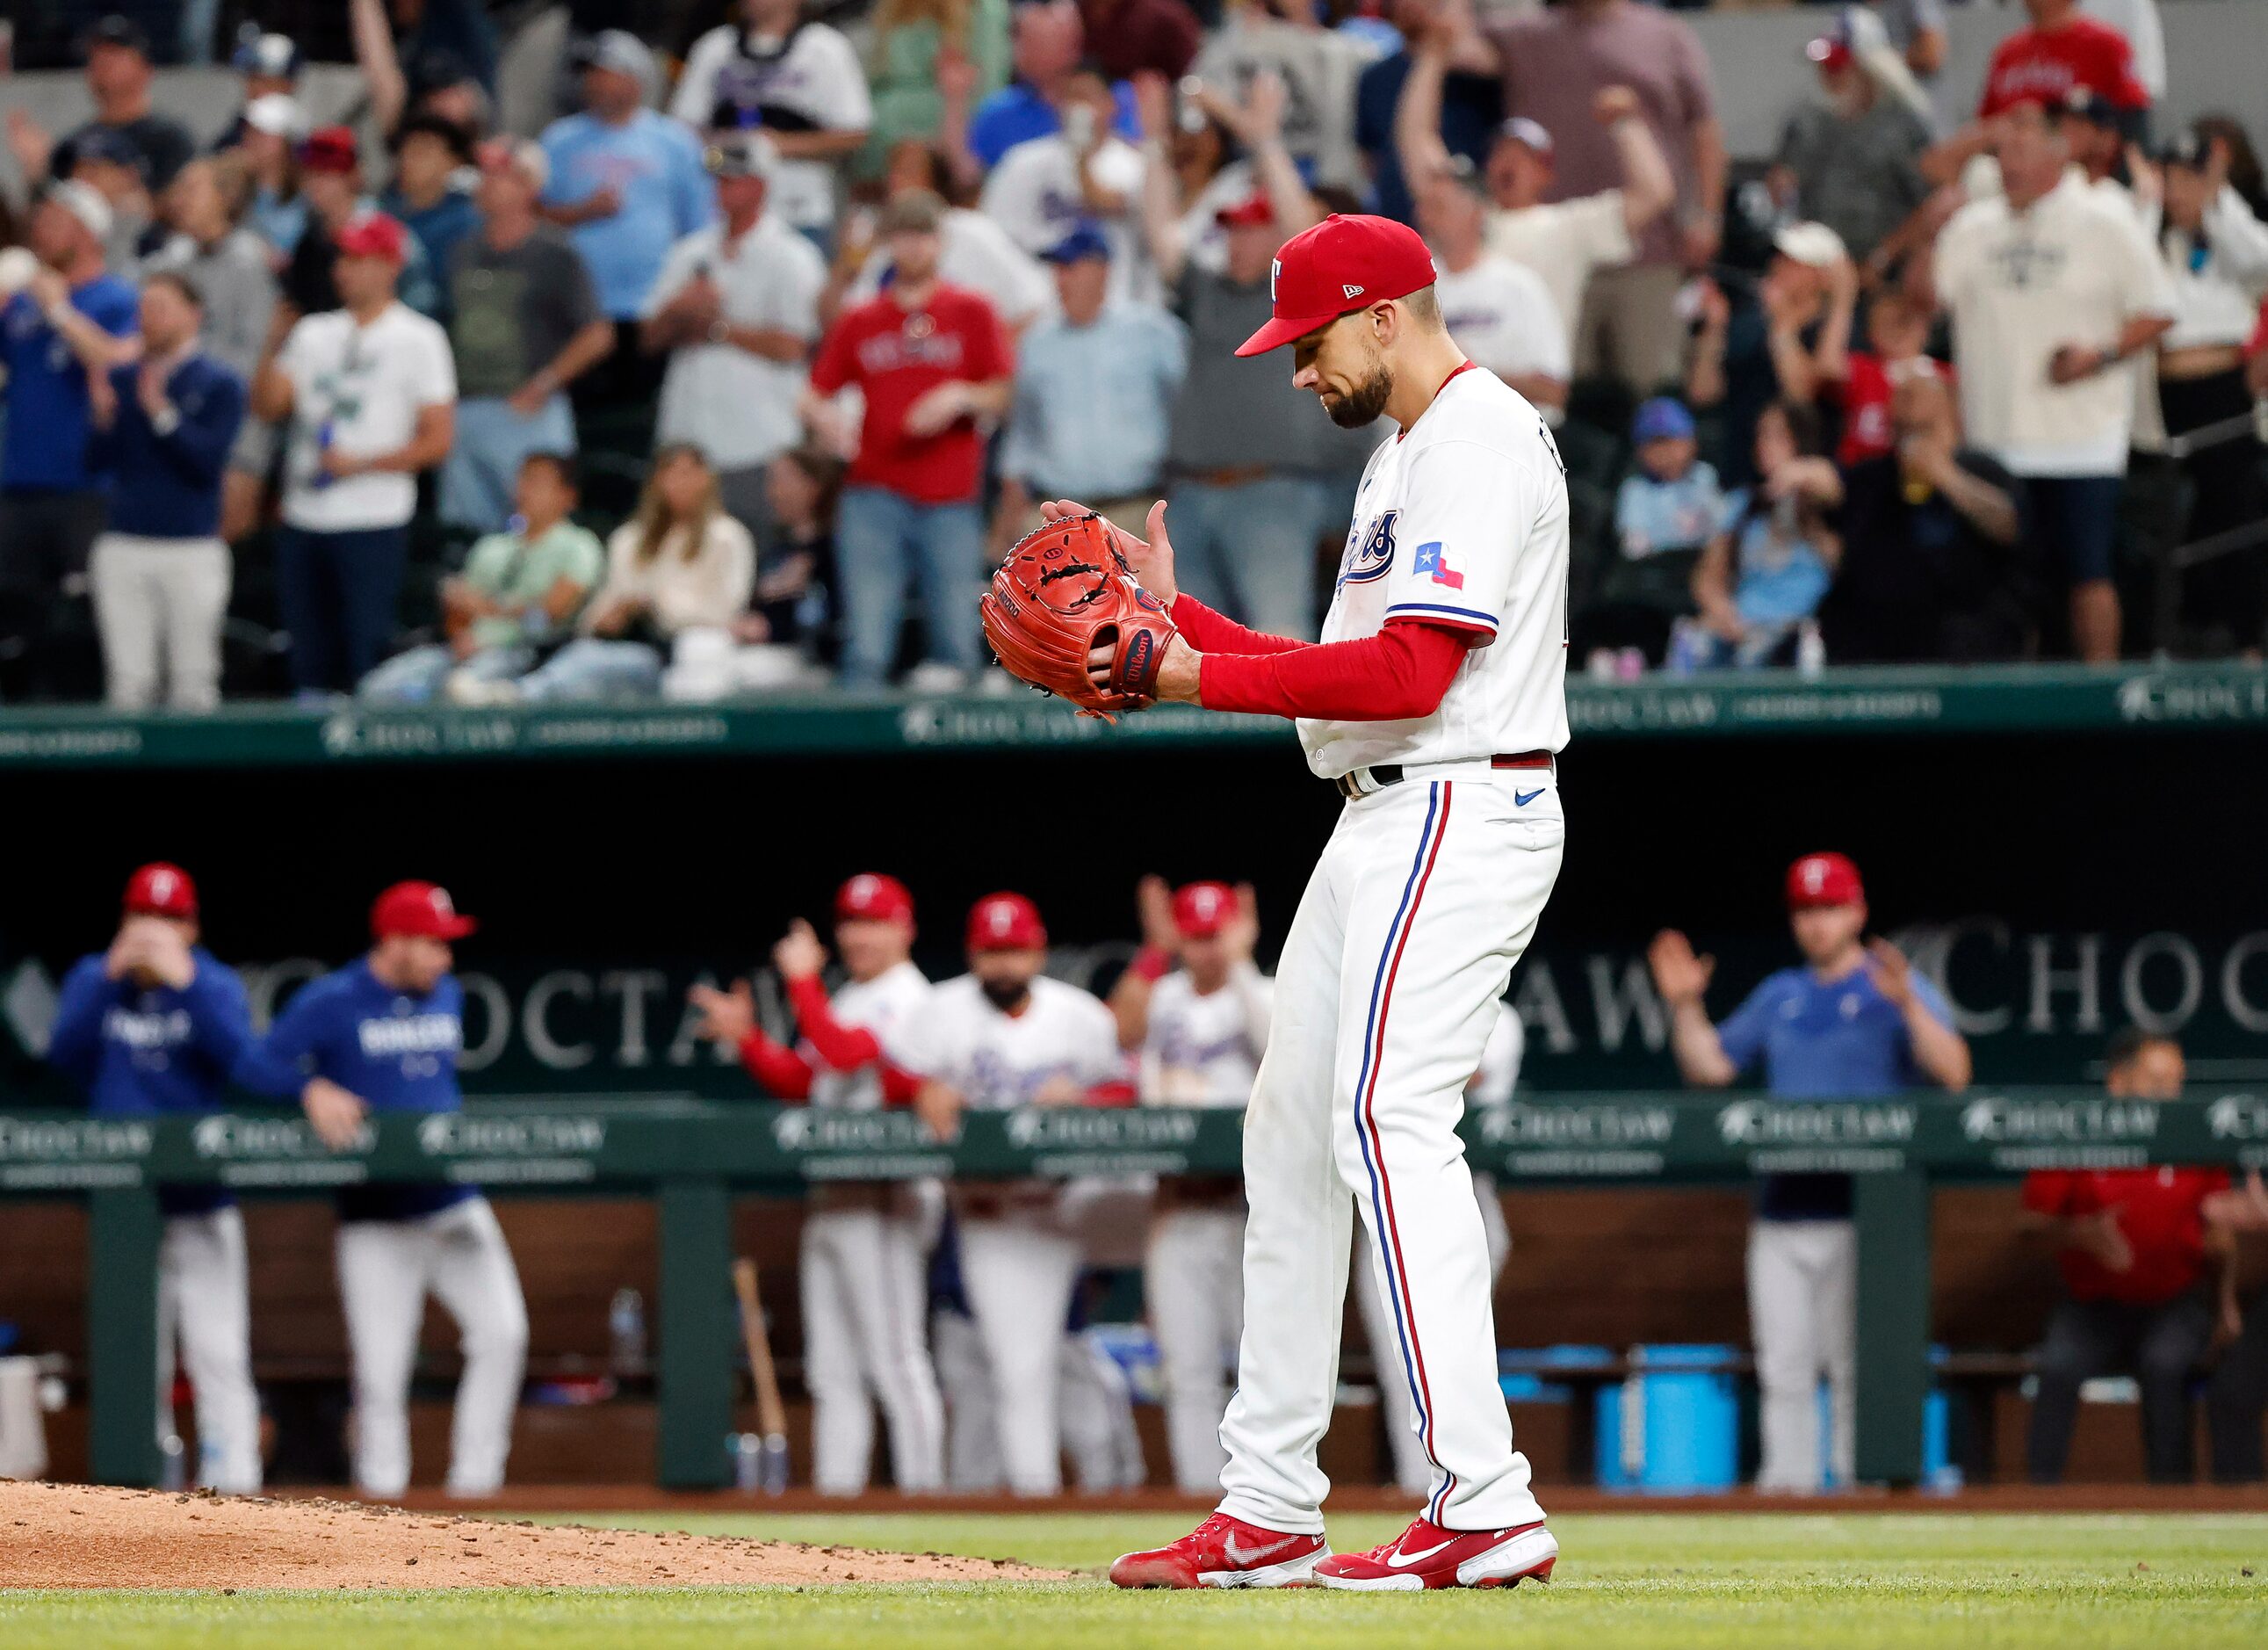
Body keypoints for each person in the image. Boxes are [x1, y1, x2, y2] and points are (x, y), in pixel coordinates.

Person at [1095, 211, 1569, 1591]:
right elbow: (1340, 677)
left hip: (1457, 800)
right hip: (1384, 808)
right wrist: (1188, 633)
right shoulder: (1400, 461)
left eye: (1307, 342)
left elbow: (1412, 679)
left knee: (1386, 1119)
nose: (1295, 371)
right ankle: (1269, 1502)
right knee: (1290, 1131)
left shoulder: (1476, 437)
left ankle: (1481, 1497)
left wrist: (1183, 680)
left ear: (1380, 316)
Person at [1648, 852, 1969, 1494]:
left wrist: (1907, 1006)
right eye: (1805, 909)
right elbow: (1711, 1067)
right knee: (1785, 1366)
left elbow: (1955, 1072)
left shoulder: (1891, 985)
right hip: (1782, 1209)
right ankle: (1787, 1492)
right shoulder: (1781, 994)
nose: (1817, 921)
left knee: (1857, 1367)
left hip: (1868, 1213)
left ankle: (1862, 1489)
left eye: (1829, 907)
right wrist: (1685, 1007)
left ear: (1857, 911)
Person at [238, 880, 526, 1499]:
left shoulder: (444, 993)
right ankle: (382, 1505)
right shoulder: (334, 999)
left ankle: (476, 1488)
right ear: (393, 941)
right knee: (380, 1374)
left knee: (503, 1333)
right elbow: (258, 1063)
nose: (445, 960)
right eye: (432, 944)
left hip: (453, 1200)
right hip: (375, 1217)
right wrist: (308, 1089)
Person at [689, 873, 945, 1495]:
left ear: (905, 928)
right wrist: (751, 1039)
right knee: (833, 1373)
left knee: (895, 1362)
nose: (860, 934)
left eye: (875, 921)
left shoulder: (910, 996)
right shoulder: (851, 994)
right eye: (851, 922)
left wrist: (800, 981)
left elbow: (847, 1053)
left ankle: (930, 1502)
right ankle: (838, 1508)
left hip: (885, 1192)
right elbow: (810, 1081)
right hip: (833, 1194)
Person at [895, 893, 1131, 1498]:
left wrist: (1082, 1101)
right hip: (993, 1214)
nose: (1003, 964)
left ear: (1039, 950)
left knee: (1061, 1361)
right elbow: (891, 1073)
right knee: (1021, 1367)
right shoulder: (939, 1012)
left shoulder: (1079, 1016)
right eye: (991, 951)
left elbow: (1129, 1095)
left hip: (1076, 1207)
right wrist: (919, 1090)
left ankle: (1119, 1487)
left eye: (1015, 950)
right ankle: (1038, 1496)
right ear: (973, 953)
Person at [1925, 97, 2173, 662]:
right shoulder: (1974, 223)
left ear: (2055, 156)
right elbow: (1926, 301)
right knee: (2004, 585)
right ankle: (2014, 707)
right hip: (1997, 435)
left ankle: (2104, 699)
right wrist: (1929, 230)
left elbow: (2159, 308)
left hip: (2082, 437)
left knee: (2089, 573)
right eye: (2001, 152)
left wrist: (2101, 354)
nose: (2006, 165)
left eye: (2020, 151)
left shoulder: (2105, 218)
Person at [46, 864, 262, 1494]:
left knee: (218, 1352)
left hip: (202, 1202)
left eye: (169, 919)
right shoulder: (94, 978)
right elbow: (59, 1056)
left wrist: (186, 985)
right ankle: (148, 1498)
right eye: (143, 916)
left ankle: (237, 1486)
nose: (154, 932)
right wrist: (109, 977)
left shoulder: (212, 984)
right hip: (123, 1214)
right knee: (139, 1360)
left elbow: (245, 1065)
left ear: (191, 927)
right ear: (123, 921)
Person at [1138, 85, 1336, 640]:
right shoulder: (1207, 290)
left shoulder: (1295, 297)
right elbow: (1160, 235)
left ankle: (1285, 735)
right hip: (1193, 493)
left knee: (1278, 640)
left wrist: (1264, 141)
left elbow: (1305, 230)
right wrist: (1156, 144)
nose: (1240, 241)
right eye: (1234, 229)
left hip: (1271, 491)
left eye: (1254, 227)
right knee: (1191, 646)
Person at [803, 190, 1013, 690]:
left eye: (923, 237)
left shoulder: (971, 309)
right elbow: (812, 394)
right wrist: (827, 421)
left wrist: (959, 395)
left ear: (939, 243)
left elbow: (1003, 393)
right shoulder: (862, 318)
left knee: (959, 642)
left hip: (949, 496)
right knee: (867, 645)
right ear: (889, 244)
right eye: (903, 237)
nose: (913, 249)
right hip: (873, 491)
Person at [1461, 0, 1725, 394]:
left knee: (1652, 387)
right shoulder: (1528, 33)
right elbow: (1453, 45)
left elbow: (1704, 132)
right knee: (1565, 391)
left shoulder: (1666, 34)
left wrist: (1707, 214)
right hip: (1554, 252)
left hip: (1648, 247)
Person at [253, 212, 458, 698]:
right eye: (342, 257)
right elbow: (267, 406)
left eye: (358, 258)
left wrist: (361, 464)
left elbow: (437, 440)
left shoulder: (419, 338)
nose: (343, 269)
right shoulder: (313, 333)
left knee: (365, 651)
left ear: (390, 265)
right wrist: (271, 342)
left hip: (372, 517)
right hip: (305, 516)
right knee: (307, 655)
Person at [1109, 878, 1270, 1494]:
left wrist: (1241, 961)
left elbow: (1277, 1041)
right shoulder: (1163, 995)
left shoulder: (1258, 992)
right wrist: (1155, 949)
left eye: (1215, 934)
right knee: (1188, 1371)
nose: (1206, 949)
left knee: (1261, 1371)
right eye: (1196, 936)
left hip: (1252, 1208)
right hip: (1177, 1206)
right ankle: (1201, 1500)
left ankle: (1262, 1501)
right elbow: (1119, 1030)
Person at [2020, 1030, 2228, 1484]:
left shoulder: (2197, 1137)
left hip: (2175, 1302)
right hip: (2094, 1305)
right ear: (2117, 1082)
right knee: (2056, 1365)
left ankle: (2174, 1507)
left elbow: (2221, 1233)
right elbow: (2029, 1230)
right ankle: (2033, 1502)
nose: (2170, 1094)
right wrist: (2079, 1233)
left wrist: (2227, 1304)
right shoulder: (2080, 1135)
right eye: (2156, 1081)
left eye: (2176, 1081)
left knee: (2165, 1365)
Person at [1396, 37, 1671, 372]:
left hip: (1531, 386)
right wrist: (1433, 57)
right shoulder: (1465, 212)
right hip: (1455, 382)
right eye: (1500, 154)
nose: (1508, 164)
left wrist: (1627, 123)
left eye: (1524, 157)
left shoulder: (1568, 226)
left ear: (1546, 174)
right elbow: (1417, 144)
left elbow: (1653, 194)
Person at [1357, 998, 1520, 1501]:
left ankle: (1468, 1492)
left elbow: (1449, 1072)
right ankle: (1419, 1492)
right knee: (1397, 1363)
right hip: (1387, 1209)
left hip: (1467, 1204)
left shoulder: (1496, 1015)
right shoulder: (1384, 1003)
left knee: (1451, 1360)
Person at [640, 134, 827, 539]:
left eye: (733, 180)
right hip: (688, 435)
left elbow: (795, 345)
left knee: (755, 553)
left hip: (758, 437)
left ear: (760, 185)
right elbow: (648, 339)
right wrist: (679, 309)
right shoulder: (690, 253)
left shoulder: (791, 256)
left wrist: (717, 328)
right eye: (719, 180)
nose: (721, 189)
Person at [0, 184, 140, 700]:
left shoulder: (115, 299)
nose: (38, 231)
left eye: (52, 220)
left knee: (84, 619)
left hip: (85, 488)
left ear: (86, 230)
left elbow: (119, 363)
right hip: (19, 484)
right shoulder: (21, 305)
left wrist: (60, 312)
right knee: (16, 618)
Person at [83, 273, 248, 712]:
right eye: (144, 309)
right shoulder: (121, 380)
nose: (148, 319)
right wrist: (102, 420)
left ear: (193, 315)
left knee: (194, 683)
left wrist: (162, 415)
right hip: (125, 541)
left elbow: (205, 463)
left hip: (190, 544)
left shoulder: (219, 383)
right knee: (128, 684)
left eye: (161, 308)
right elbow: (97, 464)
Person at [487, 445, 756, 703]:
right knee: (581, 653)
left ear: (706, 479)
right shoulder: (629, 539)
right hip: (630, 642)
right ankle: (508, 692)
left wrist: (656, 604)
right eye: (669, 474)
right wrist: (609, 616)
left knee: (694, 651)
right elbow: (604, 604)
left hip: (680, 647)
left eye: (686, 474)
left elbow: (726, 609)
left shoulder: (727, 537)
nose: (676, 484)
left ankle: (521, 696)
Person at [539, 33, 715, 426]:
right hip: (579, 308)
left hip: (650, 307)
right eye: (591, 76)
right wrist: (582, 212)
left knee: (643, 417)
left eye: (606, 74)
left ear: (636, 79)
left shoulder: (674, 142)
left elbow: (700, 224)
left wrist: (695, 282)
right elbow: (534, 217)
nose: (595, 84)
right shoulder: (559, 140)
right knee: (580, 417)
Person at [441, 139, 611, 536]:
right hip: (466, 408)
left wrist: (546, 383)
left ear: (527, 187)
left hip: (529, 412)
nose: (485, 185)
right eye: (484, 176)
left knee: (539, 528)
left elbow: (597, 334)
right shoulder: (461, 251)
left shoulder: (557, 253)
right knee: (468, 533)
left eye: (497, 177)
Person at [2143, 129, 2268, 654]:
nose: (2178, 192)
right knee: (2174, 520)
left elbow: (2260, 263)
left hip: (2220, 390)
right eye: (2170, 179)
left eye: (2189, 179)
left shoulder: (2232, 233)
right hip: (2160, 398)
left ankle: (2243, 637)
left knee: (2233, 513)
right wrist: (2151, 203)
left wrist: (2217, 200)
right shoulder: (2149, 232)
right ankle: (2180, 633)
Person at [358, 452, 604, 704]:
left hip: (527, 653)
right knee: (378, 690)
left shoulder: (579, 546)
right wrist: (460, 635)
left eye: (537, 481)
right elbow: (459, 611)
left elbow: (552, 613)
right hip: (463, 650)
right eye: (522, 479)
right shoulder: (491, 547)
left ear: (567, 496)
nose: (524, 489)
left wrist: (488, 608)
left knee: (462, 692)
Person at [995, 224, 1187, 546]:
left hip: (1138, 509)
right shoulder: (1037, 342)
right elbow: (1023, 434)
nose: (1062, 279)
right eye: (1058, 269)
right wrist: (1009, 514)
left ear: (1102, 270)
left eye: (1071, 267)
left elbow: (1186, 410)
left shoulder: (1153, 332)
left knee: (1143, 598)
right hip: (1057, 515)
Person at [1821, 368, 2029, 664]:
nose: (1903, 403)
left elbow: (2011, 526)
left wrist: (1946, 477)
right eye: (1903, 430)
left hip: (1968, 639)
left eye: (1925, 430)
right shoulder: (1873, 477)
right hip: (1880, 641)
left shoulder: (1982, 469)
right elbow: (1840, 540)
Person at [142, 155, 280, 545]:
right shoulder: (171, 258)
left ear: (226, 197)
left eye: (191, 189)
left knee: (222, 538)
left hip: (233, 426)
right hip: (170, 421)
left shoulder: (250, 261)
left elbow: (251, 357)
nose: (178, 199)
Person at [670, 0, 874, 247]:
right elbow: (682, 130)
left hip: (799, 207)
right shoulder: (714, 47)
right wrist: (729, 148)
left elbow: (854, 132)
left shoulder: (825, 48)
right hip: (723, 211)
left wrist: (778, 145)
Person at [1674, 400, 1843, 672]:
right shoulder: (1743, 504)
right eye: (1762, 434)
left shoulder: (1820, 501)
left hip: (1799, 630)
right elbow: (1707, 579)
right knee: (1696, 646)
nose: (1765, 443)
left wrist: (1794, 477)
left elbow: (1832, 483)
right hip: (1745, 626)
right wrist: (1724, 614)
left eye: (1779, 435)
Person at [1922, 0, 2150, 188]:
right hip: (2006, 179)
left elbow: (2133, 126)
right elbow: (1986, 125)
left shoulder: (2106, 44)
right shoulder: (2008, 52)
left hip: (2080, 183)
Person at [977, 65, 1155, 305]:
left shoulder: (1135, 166)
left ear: (1111, 105)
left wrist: (1081, 156)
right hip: (1037, 304)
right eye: (1071, 97)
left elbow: (1106, 200)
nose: (1078, 108)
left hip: (1111, 304)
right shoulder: (1022, 161)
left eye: (1087, 97)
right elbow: (993, 234)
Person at [1410, 156, 1568, 424]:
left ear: (1475, 213)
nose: (1424, 217)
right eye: (1422, 206)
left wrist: (1472, 373)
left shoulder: (1518, 287)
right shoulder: (1411, 291)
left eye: (1437, 207)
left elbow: (1553, 392)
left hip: (1507, 435)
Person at [836, 142, 1051, 337]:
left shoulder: (974, 232)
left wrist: (986, 363)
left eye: (908, 173)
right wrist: (846, 268)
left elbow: (1036, 305)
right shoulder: (883, 252)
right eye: (893, 173)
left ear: (936, 181)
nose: (896, 182)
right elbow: (844, 328)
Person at [1770, 25, 1931, 271]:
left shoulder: (1901, 126)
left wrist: (1884, 256)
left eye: (1837, 69)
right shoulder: (1805, 122)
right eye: (1824, 69)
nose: (1829, 79)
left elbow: (1928, 204)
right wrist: (1781, 187)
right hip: (1818, 269)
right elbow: (1781, 183)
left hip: (1883, 272)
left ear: (1867, 69)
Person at [1583, 395, 1723, 667]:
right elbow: (1635, 546)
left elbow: (1719, 531)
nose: (1664, 452)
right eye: (1654, 444)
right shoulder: (1636, 490)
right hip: (1653, 582)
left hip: (1697, 574)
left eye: (1671, 441)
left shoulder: (1705, 479)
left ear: (1691, 442)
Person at [4, 15, 196, 198]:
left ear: (145, 69)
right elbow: (50, 219)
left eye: (115, 54)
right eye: (95, 57)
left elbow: (190, 208)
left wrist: (130, 194)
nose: (103, 64)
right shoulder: (74, 144)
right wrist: (39, 172)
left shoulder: (170, 139)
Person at [1190, 0, 1366, 194]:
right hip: (1253, 173)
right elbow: (1195, 90)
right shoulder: (1235, 37)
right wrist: (1247, 124)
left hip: (1325, 174)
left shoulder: (1345, 45)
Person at [960, 1, 1139, 176]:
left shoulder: (1115, 100)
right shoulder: (998, 112)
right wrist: (955, 99)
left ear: (1071, 44)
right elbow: (966, 179)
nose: (1016, 51)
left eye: (1030, 41)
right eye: (1017, 39)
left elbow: (1138, 162)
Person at [282, 127, 440, 322]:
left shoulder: (389, 235)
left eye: (326, 172)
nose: (315, 183)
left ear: (353, 175)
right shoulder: (309, 241)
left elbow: (420, 308)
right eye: (310, 173)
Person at [379, 113, 481, 314]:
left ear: (454, 161)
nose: (409, 159)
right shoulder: (382, 215)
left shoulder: (467, 223)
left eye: (423, 151)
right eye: (405, 150)